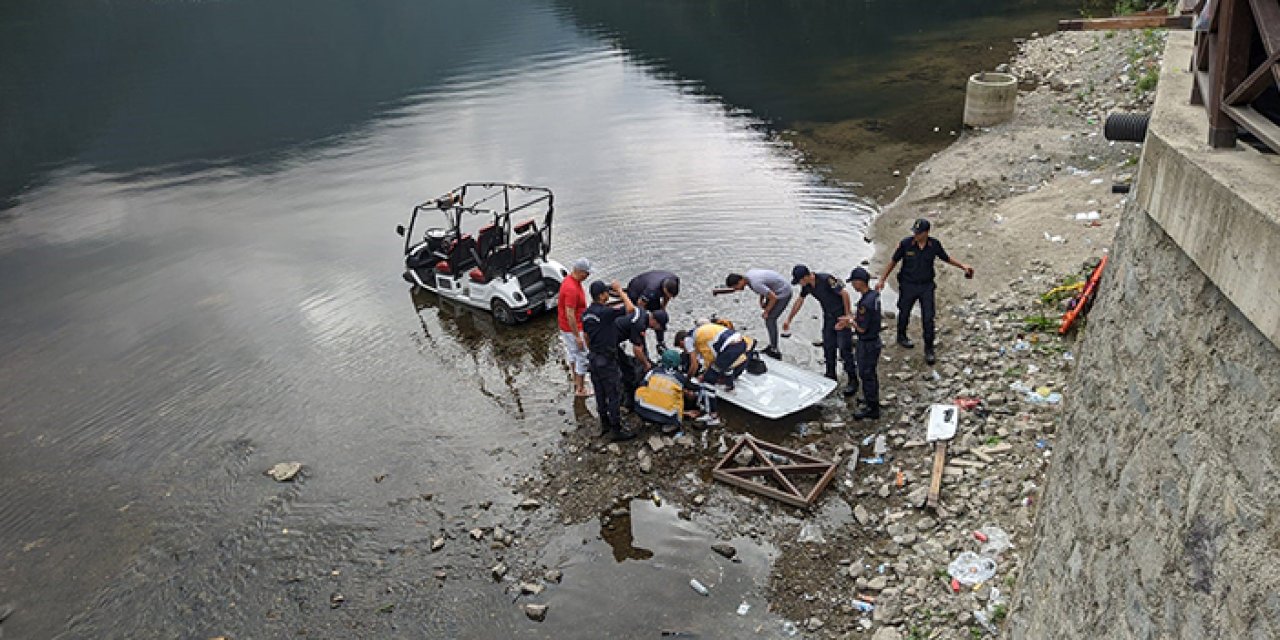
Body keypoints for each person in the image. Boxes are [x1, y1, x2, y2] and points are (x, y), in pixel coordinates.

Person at [876, 218, 975, 365]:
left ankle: (929, 349)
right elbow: (893, 261)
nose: (915, 235)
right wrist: (882, 280)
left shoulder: (934, 245)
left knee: (928, 317)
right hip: (908, 285)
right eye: (915, 232)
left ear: (926, 233)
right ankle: (901, 335)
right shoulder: (906, 244)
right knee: (904, 312)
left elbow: (946, 258)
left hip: (926, 286)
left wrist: (962, 266)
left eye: (919, 233)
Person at [782, 265, 858, 395]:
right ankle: (830, 375)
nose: (800, 284)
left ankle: (853, 379)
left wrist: (848, 316)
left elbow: (844, 294)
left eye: (800, 281)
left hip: (840, 316)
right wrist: (789, 319)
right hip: (828, 317)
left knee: (844, 349)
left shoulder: (826, 279)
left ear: (805, 277)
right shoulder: (807, 286)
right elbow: (800, 300)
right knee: (828, 347)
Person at [581, 280, 638, 441]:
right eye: (606, 292)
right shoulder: (606, 313)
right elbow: (630, 309)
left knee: (600, 393)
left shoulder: (586, 314)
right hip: (607, 360)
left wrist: (593, 351)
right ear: (601, 295)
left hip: (594, 359)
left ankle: (604, 424)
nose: (608, 294)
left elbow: (586, 337)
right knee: (613, 393)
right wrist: (620, 291)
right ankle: (616, 429)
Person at [723, 269, 793, 359]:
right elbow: (764, 288)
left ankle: (774, 350)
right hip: (776, 289)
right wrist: (761, 301)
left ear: (740, 281)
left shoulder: (755, 284)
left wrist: (766, 312)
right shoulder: (749, 276)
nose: (737, 290)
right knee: (768, 315)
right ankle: (772, 345)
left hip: (783, 292)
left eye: (736, 287)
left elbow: (773, 298)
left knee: (770, 319)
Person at [844, 268, 883, 420]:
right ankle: (870, 398)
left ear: (860, 282)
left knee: (866, 374)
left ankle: (872, 407)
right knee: (870, 373)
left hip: (867, 343)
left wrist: (850, 322)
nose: (853, 286)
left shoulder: (864, 304)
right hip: (874, 340)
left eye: (854, 282)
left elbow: (861, 328)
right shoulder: (874, 296)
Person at [615, 305, 670, 411]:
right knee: (628, 371)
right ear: (654, 320)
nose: (657, 329)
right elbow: (637, 350)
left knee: (628, 364)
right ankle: (625, 402)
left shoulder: (643, 313)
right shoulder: (640, 325)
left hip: (611, 335)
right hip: (608, 342)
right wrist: (646, 364)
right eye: (658, 326)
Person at [557, 258, 593, 397]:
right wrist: (577, 336)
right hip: (573, 328)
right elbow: (570, 314)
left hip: (565, 327)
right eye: (587, 273)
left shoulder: (569, 281)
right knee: (582, 356)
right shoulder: (571, 289)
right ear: (580, 272)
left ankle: (576, 380)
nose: (588, 276)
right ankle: (581, 389)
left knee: (572, 353)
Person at [688, 318, 756, 393]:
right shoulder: (716, 328)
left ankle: (709, 392)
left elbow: (711, 358)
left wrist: (704, 375)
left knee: (712, 372)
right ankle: (730, 386)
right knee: (727, 366)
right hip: (742, 346)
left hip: (734, 350)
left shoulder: (702, 337)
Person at [633, 349, 687, 434]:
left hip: (642, 410)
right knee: (679, 397)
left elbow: (642, 384)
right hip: (667, 417)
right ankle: (673, 424)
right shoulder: (681, 378)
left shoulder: (653, 372)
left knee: (642, 389)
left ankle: (645, 413)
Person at [626, 270, 680, 347]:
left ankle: (660, 342)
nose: (669, 298)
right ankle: (640, 342)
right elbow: (640, 304)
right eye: (668, 294)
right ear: (664, 289)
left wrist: (663, 309)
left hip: (652, 286)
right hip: (635, 290)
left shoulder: (675, 279)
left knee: (660, 317)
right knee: (645, 320)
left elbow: (667, 297)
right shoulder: (652, 289)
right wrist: (642, 321)